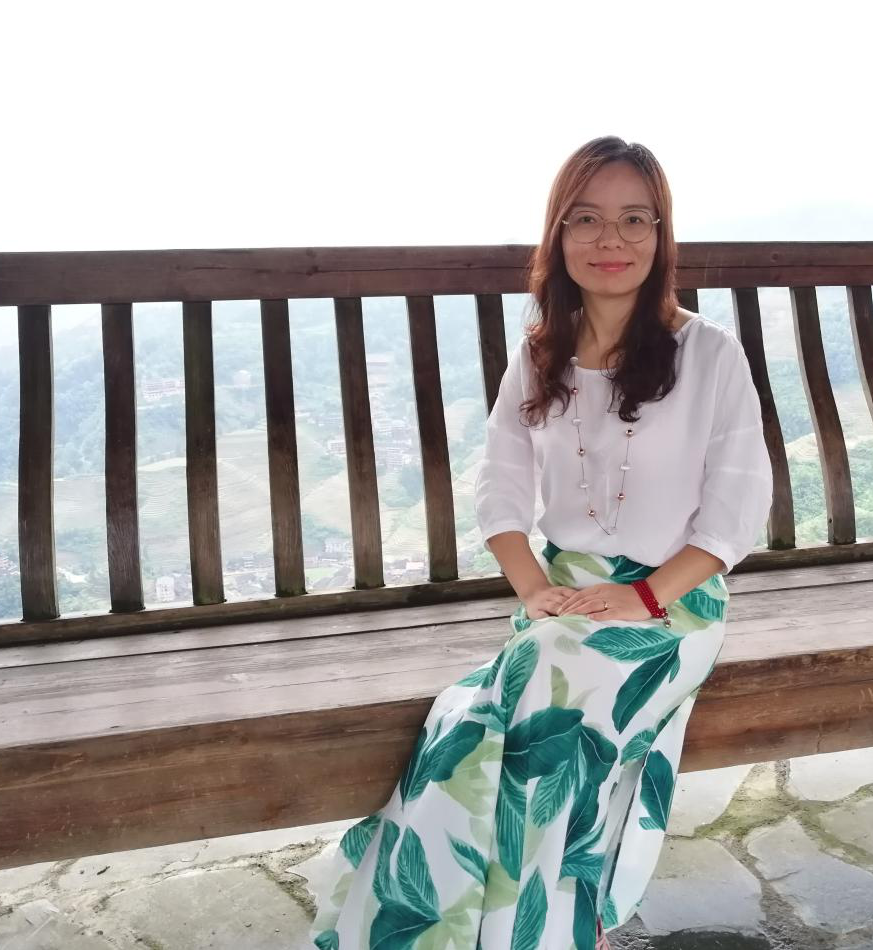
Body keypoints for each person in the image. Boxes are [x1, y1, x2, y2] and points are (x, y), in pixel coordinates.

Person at [308, 135, 774, 950]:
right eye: (585, 219)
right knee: (475, 719)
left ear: (661, 235)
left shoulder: (708, 354)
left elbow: (735, 512)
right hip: (564, 598)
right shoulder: (539, 355)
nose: (610, 240)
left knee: (536, 703)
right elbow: (500, 484)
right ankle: (529, 927)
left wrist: (640, 595)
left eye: (635, 219)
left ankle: (520, 930)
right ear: (557, 235)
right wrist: (532, 589)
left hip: (673, 603)